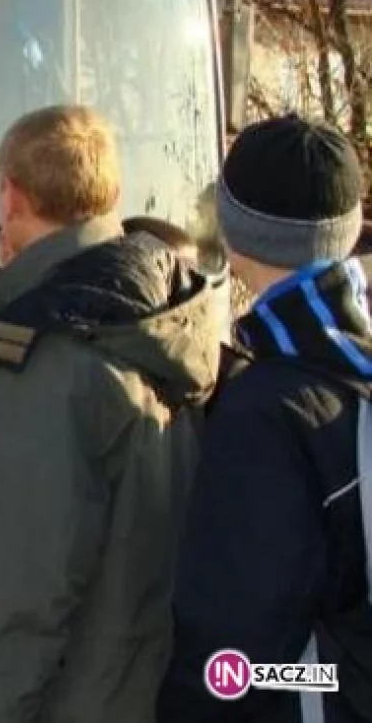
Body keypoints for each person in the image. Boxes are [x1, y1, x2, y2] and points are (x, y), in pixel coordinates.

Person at [0, 104, 224, 723]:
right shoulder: (163, 311)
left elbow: (18, 592)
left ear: (9, 198)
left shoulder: (50, 350)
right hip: (134, 688)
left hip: (60, 700)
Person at [158, 115, 372, 723]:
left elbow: (235, 649)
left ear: (232, 229)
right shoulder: (351, 362)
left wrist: (317, 681)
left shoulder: (269, 407)